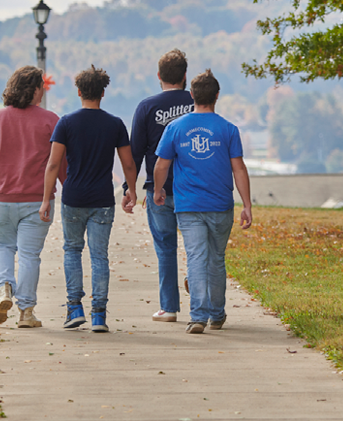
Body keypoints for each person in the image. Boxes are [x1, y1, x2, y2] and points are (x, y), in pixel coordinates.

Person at [153, 69, 253, 334]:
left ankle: (197, 316)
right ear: (217, 96)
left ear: (192, 96)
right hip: (220, 204)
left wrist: (158, 190)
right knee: (216, 259)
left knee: (196, 258)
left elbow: (162, 164)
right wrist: (247, 205)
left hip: (189, 206)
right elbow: (239, 169)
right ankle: (217, 314)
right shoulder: (229, 129)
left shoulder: (175, 127)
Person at [40, 65, 138, 333]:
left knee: (72, 250)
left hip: (73, 197)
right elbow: (128, 164)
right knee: (99, 256)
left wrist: (47, 198)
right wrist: (132, 190)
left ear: (80, 91)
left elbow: (53, 164)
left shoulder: (66, 123)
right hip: (102, 199)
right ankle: (99, 315)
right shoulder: (115, 124)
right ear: (103, 93)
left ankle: (74, 308)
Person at [0, 66, 65, 328]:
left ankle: (4, 287)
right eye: (42, 88)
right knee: (29, 255)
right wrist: (67, 185)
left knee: (2, 245)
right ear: (36, 89)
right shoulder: (51, 120)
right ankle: (26, 312)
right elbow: (60, 161)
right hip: (37, 199)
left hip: (2, 196)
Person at [125, 49, 194, 322]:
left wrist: (130, 189)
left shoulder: (146, 107)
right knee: (196, 245)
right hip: (193, 187)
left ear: (159, 76)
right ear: (185, 76)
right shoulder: (196, 102)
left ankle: (169, 308)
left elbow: (136, 152)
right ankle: (195, 280)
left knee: (165, 247)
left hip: (159, 189)